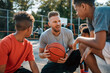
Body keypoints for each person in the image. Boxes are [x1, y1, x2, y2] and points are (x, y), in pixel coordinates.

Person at [73, 0, 110, 73]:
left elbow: (99, 44)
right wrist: (90, 46)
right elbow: (92, 40)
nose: (76, 13)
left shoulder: (100, 12)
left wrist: (79, 38)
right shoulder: (90, 19)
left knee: (83, 45)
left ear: (83, 6)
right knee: (84, 46)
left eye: (76, 10)